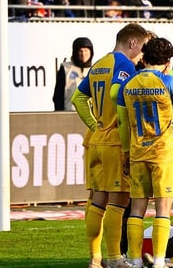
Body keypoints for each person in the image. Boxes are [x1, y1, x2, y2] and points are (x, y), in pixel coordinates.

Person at [72, 23, 151, 268]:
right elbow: (118, 95)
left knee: (97, 201)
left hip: (95, 141)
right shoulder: (124, 65)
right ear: (132, 43)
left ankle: (95, 258)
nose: (141, 55)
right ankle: (116, 257)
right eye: (142, 49)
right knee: (118, 202)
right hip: (115, 141)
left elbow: (78, 98)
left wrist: (95, 125)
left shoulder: (99, 65)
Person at [117, 37, 173, 268]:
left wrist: (126, 152)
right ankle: (158, 261)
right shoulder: (168, 81)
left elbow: (124, 123)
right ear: (168, 62)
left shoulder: (129, 85)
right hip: (163, 154)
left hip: (138, 153)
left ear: (144, 56)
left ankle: (135, 260)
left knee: (136, 209)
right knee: (163, 210)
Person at [54, 37, 94, 111]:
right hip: (69, 113)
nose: (83, 54)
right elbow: (58, 96)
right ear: (75, 52)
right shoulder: (66, 68)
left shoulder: (95, 70)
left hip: (91, 116)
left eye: (86, 51)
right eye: (80, 51)